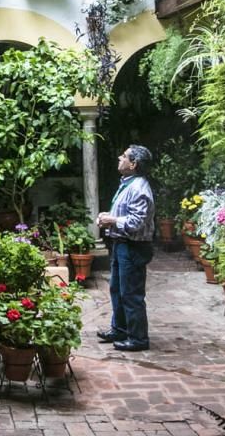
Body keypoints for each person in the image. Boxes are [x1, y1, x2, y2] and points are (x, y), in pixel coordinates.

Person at [95, 144, 156, 352]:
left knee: (131, 293)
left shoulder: (139, 188)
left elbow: (136, 222)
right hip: (122, 244)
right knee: (117, 290)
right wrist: (107, 218)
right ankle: (120, 329)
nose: (119, 158)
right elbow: (125, 214)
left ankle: (138, 339)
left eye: (124, 156)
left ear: (134, 164)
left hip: (133, 246)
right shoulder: (128, 184)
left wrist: (111, 220)